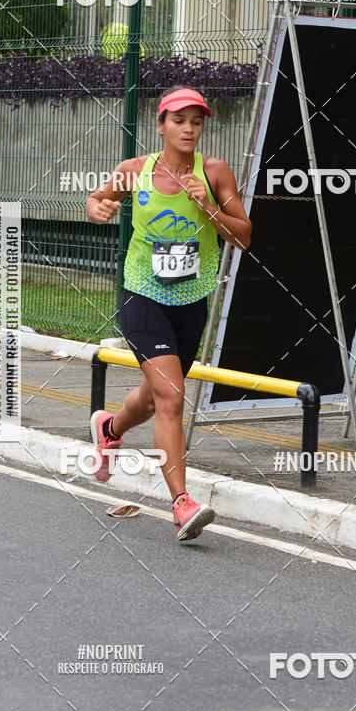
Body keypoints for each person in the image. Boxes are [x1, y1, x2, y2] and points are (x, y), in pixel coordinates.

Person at [86, 86, 252, 541]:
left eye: (196, 122)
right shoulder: (134, 171)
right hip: (142, 295)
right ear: (160, 125)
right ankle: (182, 504)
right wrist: (99, 208)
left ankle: (109, 428)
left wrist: (208, 207)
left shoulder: (214, 172)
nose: (189, 129)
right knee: (173, 397)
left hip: (191, 301)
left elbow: (243, 237)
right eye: (179, 120)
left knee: (154, 396)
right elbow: (98, 199)